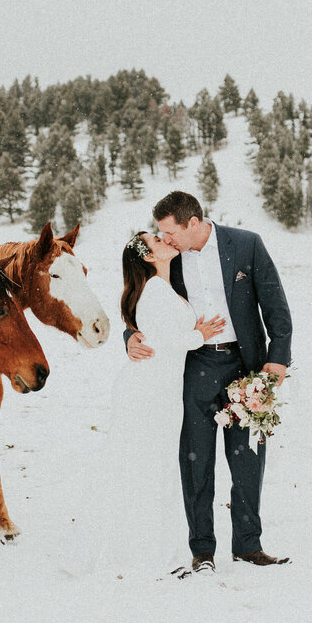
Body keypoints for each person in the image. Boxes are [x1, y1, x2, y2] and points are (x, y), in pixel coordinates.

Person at [123, 190, 292, 575]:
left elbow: (276, 307)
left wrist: (276, 361)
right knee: (195, 459)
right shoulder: (170, 259)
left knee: (247, 457)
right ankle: (202, 551)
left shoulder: (247, 245)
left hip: (246, 366)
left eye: (169, 232)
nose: (165, 239)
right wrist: (128, 337)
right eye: (161, 234)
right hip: (193, 368)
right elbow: (144, 300)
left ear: (193, 224)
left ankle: (248, 546)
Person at [99, 230, 225, 576]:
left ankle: (150, 548)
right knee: (149, 469)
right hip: (150, 390)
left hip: (163, 387)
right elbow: (170, 340)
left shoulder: (163, 285)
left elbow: (162, 329)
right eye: (156, 240)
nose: (164, 239)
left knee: (155, 469)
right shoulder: (155, 289)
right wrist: (201, 334)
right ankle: (146, 554)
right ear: (149, 257)